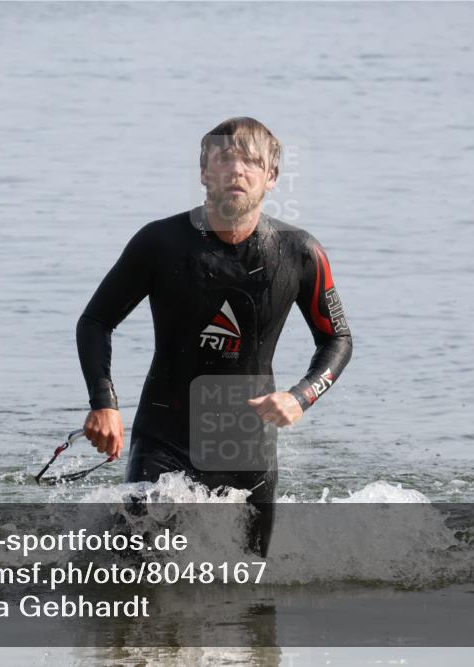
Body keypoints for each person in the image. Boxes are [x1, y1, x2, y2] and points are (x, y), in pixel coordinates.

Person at [76, 117, 353, 556]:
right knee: (132, 572)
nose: (237, 170)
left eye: (250, 161)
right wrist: (104, 403)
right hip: (165, 434)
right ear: (204, 171)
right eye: (225, 158)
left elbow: (337, 339)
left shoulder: (299, 252)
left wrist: (300, 397)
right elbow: (95, 321)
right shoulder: (160, 243)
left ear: (272, 177)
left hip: (247, 442)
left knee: (251, 583)